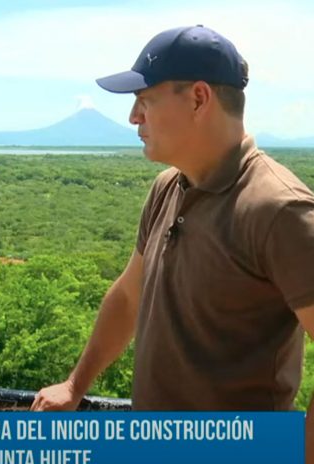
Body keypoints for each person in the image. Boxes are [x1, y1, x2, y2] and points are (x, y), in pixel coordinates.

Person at [30, 25, 314, 457]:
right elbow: (128, 296)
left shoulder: (278, 209)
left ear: (199, 98)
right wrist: (74, 385)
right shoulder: (169, 187)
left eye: (145, 101)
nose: (133, 118)